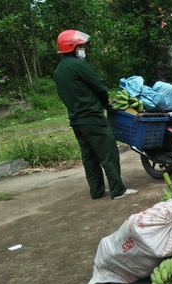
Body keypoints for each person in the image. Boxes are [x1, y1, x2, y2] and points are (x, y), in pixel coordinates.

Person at [53, 30, 138, 200]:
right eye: (81, 46)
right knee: (108, 152)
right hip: (92, 116)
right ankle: (118, 190)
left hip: (76, 119)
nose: (83, 49)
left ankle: (97, 191)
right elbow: (98, 86)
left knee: (89, 155)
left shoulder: (59, 71)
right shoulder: (78, 65)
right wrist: (106, 102)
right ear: (72, 47)